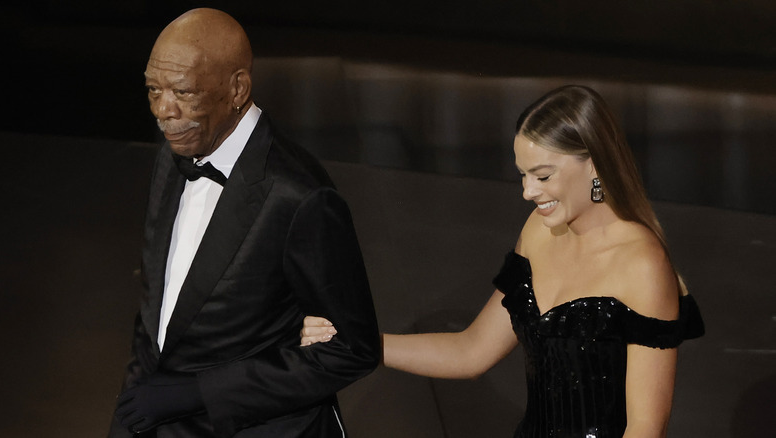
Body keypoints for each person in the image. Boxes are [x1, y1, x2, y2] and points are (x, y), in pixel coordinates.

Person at [300, 85, 704, 437]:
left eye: (543, 176)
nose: (528, 191)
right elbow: (471, 351)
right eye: (522, 174)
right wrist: (362, 345)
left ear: (594, 164)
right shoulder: (539, 230)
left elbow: (646, 428)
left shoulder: (643, 266)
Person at [109, 8, 380, 438]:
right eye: (153, 89)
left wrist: (199, 394)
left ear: (237, 88)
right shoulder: (172, 154)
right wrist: (129, 412)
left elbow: (353, 351)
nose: (163, 109)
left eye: (183, 91)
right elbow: (156, 309)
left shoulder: (301, 196)